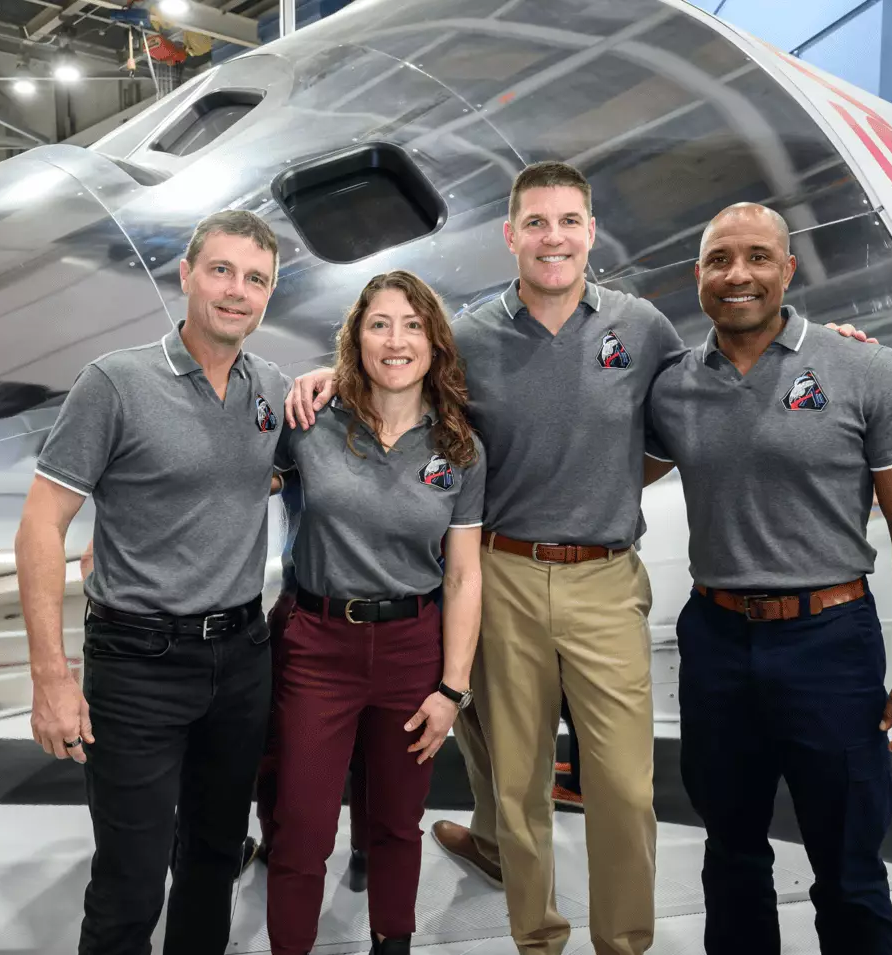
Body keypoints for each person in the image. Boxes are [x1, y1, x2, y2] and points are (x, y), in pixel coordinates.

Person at [290, 162, 678, 955]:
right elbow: (400, 382)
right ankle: (537, 937)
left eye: (569, 220)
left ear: (590, 231)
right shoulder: (466, 337)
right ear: (511, 236)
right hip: (497, 573)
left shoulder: (641, 328)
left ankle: (624, 943)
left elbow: (691, 417)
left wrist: (601, 492)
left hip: (605, 579)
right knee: (517, 783)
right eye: (535, 222)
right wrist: (328, 377)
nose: (553, 237)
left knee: (625, 787)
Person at [643, 202, 892, 955]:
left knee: (848, 867)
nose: (737, 274)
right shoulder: (674, 388)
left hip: (829, 643)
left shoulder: (863, 369)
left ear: (787, 269)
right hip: (716, 641)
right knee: (732, 855)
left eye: (757, 257)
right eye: (720, 259)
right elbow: (589, 464)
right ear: (698, 277)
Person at [14, 209, 290, 955]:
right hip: (138, 662)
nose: (238, 291)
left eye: (256, 278)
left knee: (211, 862)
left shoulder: (272, 389)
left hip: (240, 657)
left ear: (270, 293)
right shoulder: (116, 382)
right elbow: (42, 524)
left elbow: (267, 472)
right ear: (187, 276)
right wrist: (51, 678)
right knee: (131, 881)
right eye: (222, 271)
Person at [267, 270, 485, 955]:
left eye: (413, 325)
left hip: (412, 649)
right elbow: (234, 480)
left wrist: (453, 688)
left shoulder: (459, 448)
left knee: (397, 821)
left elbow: (464, 573)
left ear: (435, 342)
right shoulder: (310, 422)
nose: (396, 340)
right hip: (316, 643)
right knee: (302, 824)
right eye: (380, 323)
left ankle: (394, 940)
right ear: (355, 339)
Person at [254, 468, 372, 893]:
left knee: (377, 745)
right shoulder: (301, 411)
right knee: (287, 743)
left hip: (377, 607)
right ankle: (286, 845)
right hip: (304, 601)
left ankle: (362, 851)